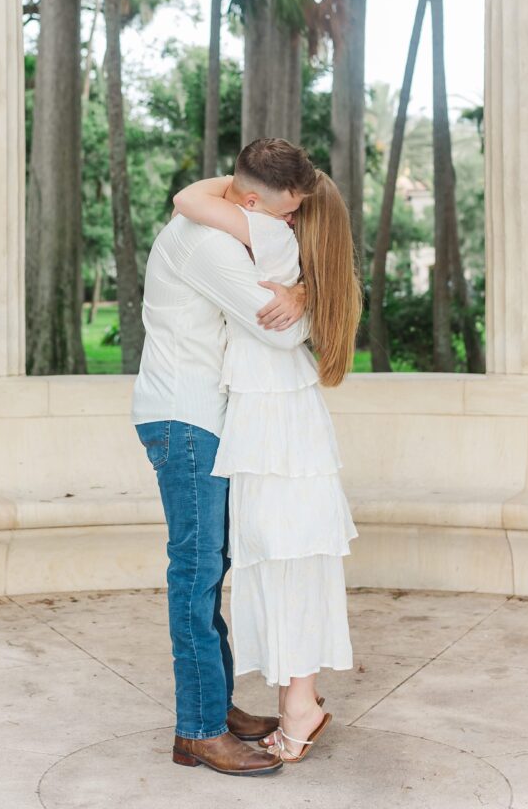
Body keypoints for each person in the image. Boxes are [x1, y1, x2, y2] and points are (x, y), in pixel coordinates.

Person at [131, 138, 318, 776]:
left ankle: (220, 705)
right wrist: (301, 298)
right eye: (286, 213)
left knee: (212, 566)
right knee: (197, 572)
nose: (290, 224)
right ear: (245, 201)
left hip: (200, 419)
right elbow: (284, 329)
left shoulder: (216, 222)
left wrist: (295, 291)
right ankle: (199, 730)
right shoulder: (210, 245)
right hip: (187, 420)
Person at [172, 166, 361, 763]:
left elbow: (188, 197)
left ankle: (300, 705)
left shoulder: (268, 233)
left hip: (271, 420)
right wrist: (310, 287)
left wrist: (249, 180)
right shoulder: (292, 247)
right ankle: (297, 699)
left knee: (283, 558)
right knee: (286, 558)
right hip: (273, 418)